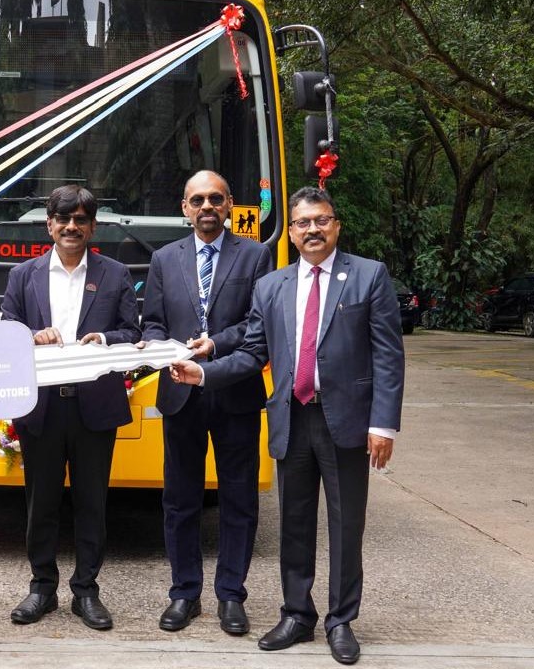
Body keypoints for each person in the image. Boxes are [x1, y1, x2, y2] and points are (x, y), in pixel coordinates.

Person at [170, 186, 404, 665]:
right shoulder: (271, 286)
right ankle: (297, 613)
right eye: (302, 223)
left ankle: (341, 620)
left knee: (346, 524)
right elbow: (255, 352)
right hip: (291, 417)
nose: (312, 230)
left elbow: (388, 356)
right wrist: (204, 374)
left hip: (347, 422)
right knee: (294, 524)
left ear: (336, 225)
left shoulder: (368, 276)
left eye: (321, 220)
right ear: (292, 233)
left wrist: (383, 424)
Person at [0, 184, 141, 631]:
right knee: (40, 502)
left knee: (91, 501)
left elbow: (131, 331)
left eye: (80, 219)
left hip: (94, 405)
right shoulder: (23, 275)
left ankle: (86, 591)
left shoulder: (115, 274)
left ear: (92, 226)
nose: (71, 227)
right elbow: (7, 331)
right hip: (41, 406)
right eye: (63, 219)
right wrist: (31, 335)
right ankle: (42, 587)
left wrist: (105, 339)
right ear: (49, 225)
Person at [140, 170, 272, 634]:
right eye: (197, 200)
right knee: (180, 500)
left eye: (215, 198)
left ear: (231, 204)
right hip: (179, 394)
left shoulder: (257, 256)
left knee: (238, 500)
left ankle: (231, 597)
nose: (206, 207)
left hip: (234, 394)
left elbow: (259, 326)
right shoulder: (163, 258)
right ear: (184, 208)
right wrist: (158, 349)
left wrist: (213, 344)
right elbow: (153, 322)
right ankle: (184, 594)